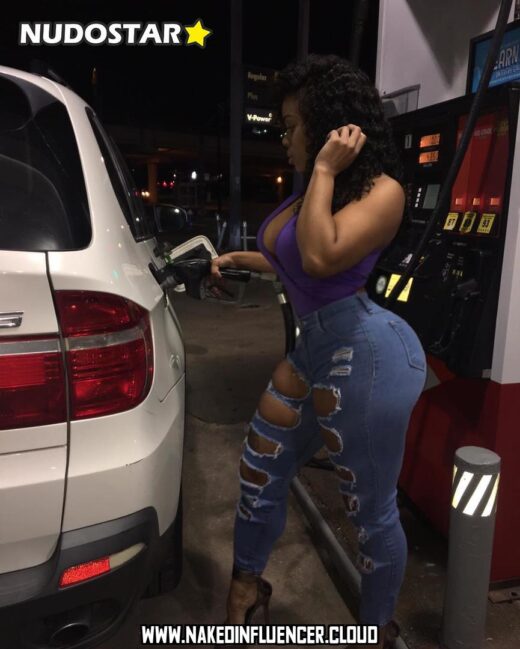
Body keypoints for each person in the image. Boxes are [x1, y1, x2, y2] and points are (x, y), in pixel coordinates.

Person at [210, 54, 426, 648]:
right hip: (315, 350)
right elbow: (286, 257)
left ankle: (375, 630)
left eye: (291, 127)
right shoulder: (310, 191)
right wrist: (236, 260)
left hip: (366, 354)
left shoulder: (384, 192)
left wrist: (326, 168)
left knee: (369, 509)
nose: (284, 140)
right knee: (260, 470)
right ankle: (245, 591)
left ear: (330, 128)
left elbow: (321, 256)